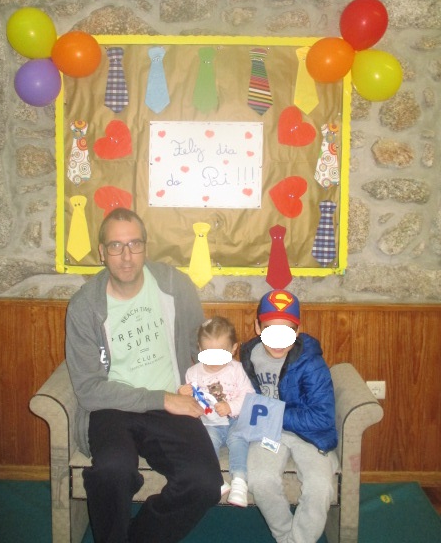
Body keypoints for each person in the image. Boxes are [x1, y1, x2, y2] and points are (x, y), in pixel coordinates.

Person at [65, 207, 223, 543]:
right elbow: (89, 389)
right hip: (113, 405)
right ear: (102, 252)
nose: (126, 256)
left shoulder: (175, 286)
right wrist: (160, 398)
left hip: (172, 403)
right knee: (112, 471)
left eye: (134, 244)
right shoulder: (84, 306)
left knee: (205, 483)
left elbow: (197, 346)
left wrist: (225, 375)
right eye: (115, 246)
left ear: (145, 247)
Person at [240, 289, 338, 543]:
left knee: (320, 487)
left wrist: (272, 413)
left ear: (297, 331)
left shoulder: (311, 363)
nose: (278, 340)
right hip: (268, 433)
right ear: (257, 327)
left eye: (286, 331)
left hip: (309, 434)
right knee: (260, 480)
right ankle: (286, 536)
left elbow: (323, 418)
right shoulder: (248, 356)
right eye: (270, 329)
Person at [179, 316, 255, 508]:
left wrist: (231, 406)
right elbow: (192, 404)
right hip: (210, 422)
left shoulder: (237, 369)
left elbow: (249, 395)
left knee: (238, 439)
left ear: (233, 349)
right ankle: (215, 479)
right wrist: (183, 394)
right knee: (206, 441)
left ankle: (239, 481)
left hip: (235, 419)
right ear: (199, 349)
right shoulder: (193, 373)